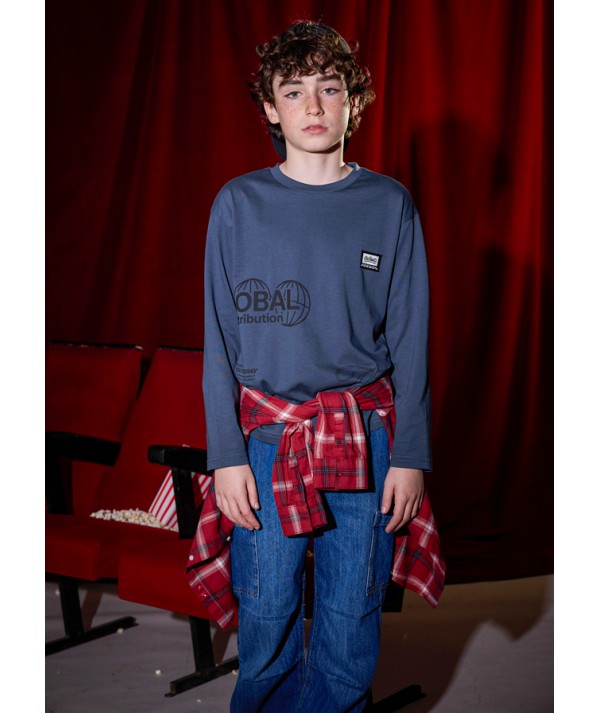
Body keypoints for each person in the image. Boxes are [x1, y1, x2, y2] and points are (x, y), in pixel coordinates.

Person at [187, 20, 445, 713]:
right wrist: (225, 456)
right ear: (270, 108)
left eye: (329, 88)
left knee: (351, 610)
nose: (313, 105)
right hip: (268, 440)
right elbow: (217, 339)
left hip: (365, 437)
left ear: (352, 101)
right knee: (266, 606)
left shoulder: (388, 203)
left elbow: (412, 339)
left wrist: (410, 455)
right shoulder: (238, 204)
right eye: (293, 91)